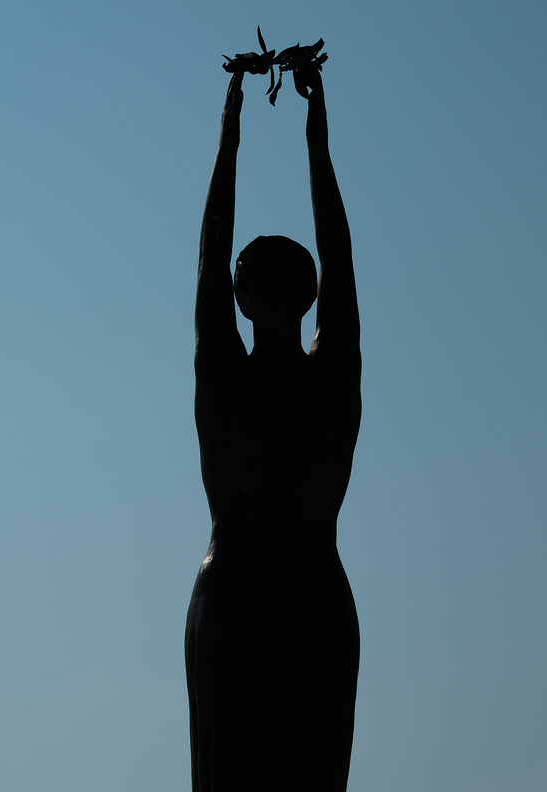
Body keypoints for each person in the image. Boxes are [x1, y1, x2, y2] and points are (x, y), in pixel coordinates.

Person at [185, 64, 361, 792]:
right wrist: (313, 135)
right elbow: (338, 250)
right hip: (299, 591)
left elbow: (209, 248)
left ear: (241, 293)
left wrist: (232, 132)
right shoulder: (328, 374)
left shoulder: (229, 369)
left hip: (256, 594)